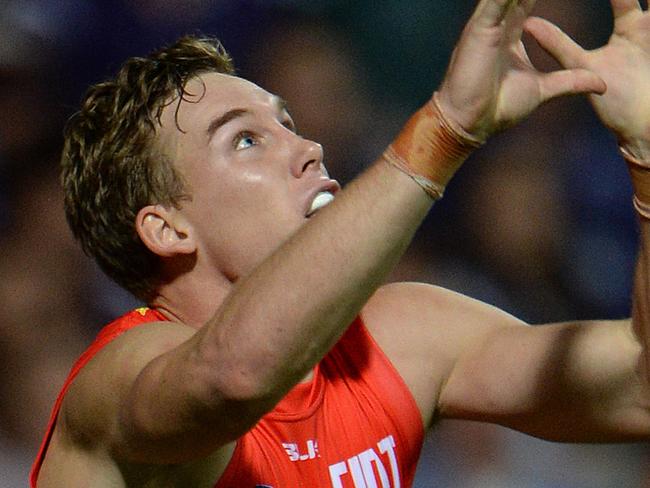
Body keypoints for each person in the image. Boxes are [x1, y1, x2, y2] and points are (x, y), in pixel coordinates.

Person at [31, 0, 650, 486]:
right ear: (167, 228)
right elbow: (234, 375)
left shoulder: (396, 335)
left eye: (288, 124)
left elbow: (638, 390)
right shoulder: (116, 378)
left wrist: (646, 154)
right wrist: (445, 130)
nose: (308, 148)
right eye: (246, 140)